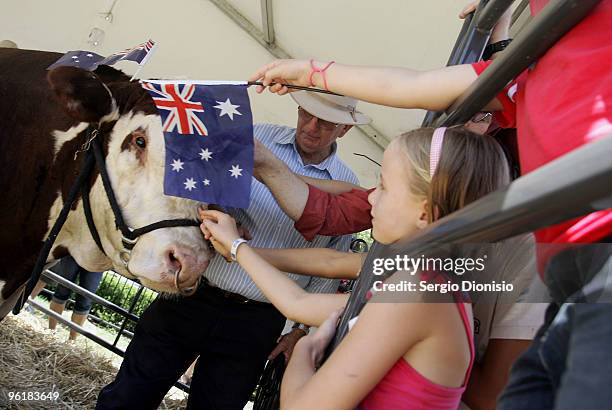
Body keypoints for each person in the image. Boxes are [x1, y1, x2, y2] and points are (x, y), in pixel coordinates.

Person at [248, 1, 612, 407]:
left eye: (475, 118)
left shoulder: (424, 285)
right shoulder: (527, 78)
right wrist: (312, 73)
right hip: (569, 263)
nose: (464, 123)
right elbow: (407, 87)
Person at [201, 126, 517, 409]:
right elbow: (300, 303)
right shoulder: (427, 285)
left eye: (384, 186)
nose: (371, 199)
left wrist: (306, 351)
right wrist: (237, 246)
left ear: (425, 212)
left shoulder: (417, 295)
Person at [96, 92, 367, 410]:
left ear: (344, 130)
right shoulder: (256, 137)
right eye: (306, 114)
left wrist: (301, 330)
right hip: (194, 293)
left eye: (325, 122)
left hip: (257, 320)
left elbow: (331, 262)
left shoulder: (349, 185)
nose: (311, 126)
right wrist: (212, 217)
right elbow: (192, 189)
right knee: (129, 395)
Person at [29, 256, 103, 341]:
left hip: (98, 260)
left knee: (85, 300)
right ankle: (51, 332)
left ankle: (72, 341)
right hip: (74, 252)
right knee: (62, 290)